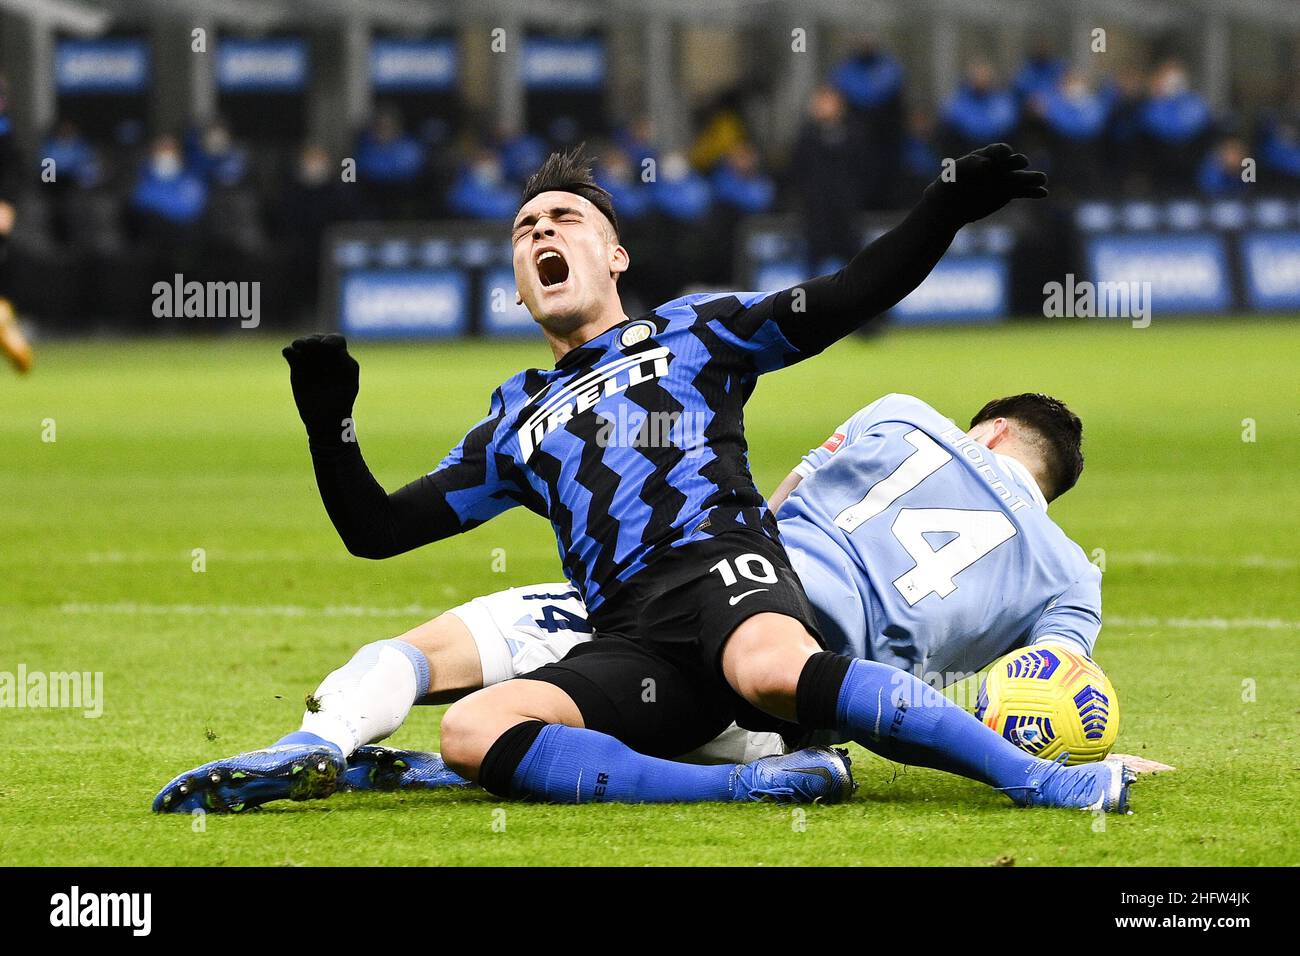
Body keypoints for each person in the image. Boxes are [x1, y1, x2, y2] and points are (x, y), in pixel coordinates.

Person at [155, 143, 1131, 816]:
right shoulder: (513, 423)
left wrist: (943, 206)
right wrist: (331, 421)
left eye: (564, 216)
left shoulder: (697, 332)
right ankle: (744, 788)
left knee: (768, 668)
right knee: (471, 728)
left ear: (612, 253)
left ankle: (1044, 784)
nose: (542, 228)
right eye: (526, 225)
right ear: (522, 275)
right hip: (627, 628)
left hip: (727, 574)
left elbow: (846, 295)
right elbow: (375, 529)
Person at [154, 390, 1114, 810]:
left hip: (692, 586)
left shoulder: (902, 415)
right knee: (712, 699)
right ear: (1049, 480)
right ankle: (756, 779)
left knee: (430, 651)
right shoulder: (1068, 573)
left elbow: (766, 509)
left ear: (988, 432)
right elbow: (1044, 683)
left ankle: (323, 739)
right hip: (785, 700)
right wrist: (1063, 744)